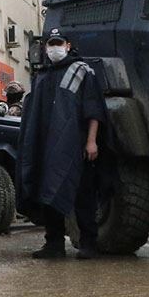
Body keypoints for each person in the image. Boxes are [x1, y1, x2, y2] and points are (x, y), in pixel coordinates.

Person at [18, 28, 107, 260]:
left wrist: (91, 141)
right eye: (51, 43)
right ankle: (54, 244)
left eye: (59, 43)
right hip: (47, 148)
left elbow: (94, 109)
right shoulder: (42, 75)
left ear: (68, 45)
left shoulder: (81, 71)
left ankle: (89, 243)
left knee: (82, 197)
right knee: (49, 194)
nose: (54, 47)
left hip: (76, 148)